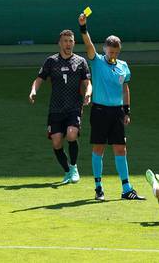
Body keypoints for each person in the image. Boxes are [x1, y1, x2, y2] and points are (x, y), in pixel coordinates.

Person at [78, 13, 145, 200]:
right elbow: (88, 44)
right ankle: (98, 187)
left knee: (121, 148)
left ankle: (126, 189)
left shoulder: (123, 66)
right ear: (105, 49)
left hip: (117, 112)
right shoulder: (97, 61)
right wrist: (83, 27)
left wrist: (127, 111)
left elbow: (125, 89)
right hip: (100, 111)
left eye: (116, 52)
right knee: (98, 148)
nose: (113, 55)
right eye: (110, 51)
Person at [29, 29, 92, 184]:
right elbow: (39, 79)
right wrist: (33, 91)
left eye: (70, 41)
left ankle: (74, 167)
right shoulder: (51, 61)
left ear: (74, 43)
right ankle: (67, 171)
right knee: (56, 142)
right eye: (65, 41)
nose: (68, 44)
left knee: (71, 134)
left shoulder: (80, 62)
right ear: (59, 43)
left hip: (74, 107)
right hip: (56, 108)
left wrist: (88, 93)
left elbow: (88, 83)